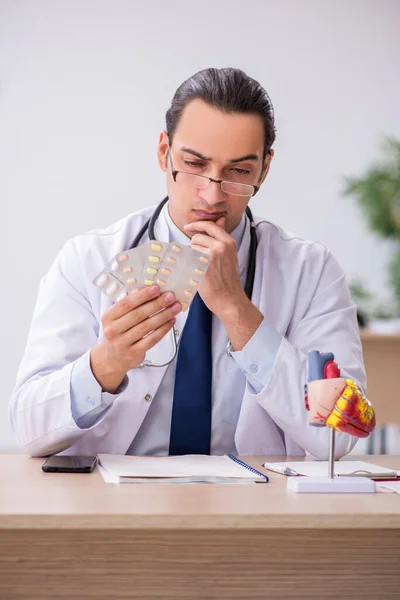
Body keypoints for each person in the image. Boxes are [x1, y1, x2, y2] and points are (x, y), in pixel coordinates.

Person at [10, 67, 365, 459]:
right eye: (195, 164)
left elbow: (341, 435)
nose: (213, 196)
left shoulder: (311, 271)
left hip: (256, 510)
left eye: (238, 171)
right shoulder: (86, 259)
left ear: (264, 169)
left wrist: (237, 310)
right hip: (117, 509)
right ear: (164, 153)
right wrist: (106, 364)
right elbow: (29, 431)